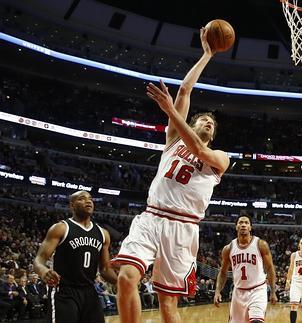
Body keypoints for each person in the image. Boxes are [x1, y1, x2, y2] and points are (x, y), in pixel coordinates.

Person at [111, 26, 229, 323]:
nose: (207, 124)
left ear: (213, 135)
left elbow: (200, 153)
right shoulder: (174, 139)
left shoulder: (220, 158)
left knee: (168, 307)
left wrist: (170, 112)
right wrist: (206, 55)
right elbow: (185, 91)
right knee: (126, 278)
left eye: (211, 124)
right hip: (151, 217)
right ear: (192, 123)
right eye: (202, 120)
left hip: (182, 228)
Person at [33, 190, 117, 323]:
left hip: (90, 290)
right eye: (82, 198)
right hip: (64, 290)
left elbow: (105, 269)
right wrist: (43, 271)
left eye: (90, 199)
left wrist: (121, 282)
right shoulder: (60, 228)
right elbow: (39, 259)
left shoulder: (103, 234)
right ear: (72, 205)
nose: (88, 201)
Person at [214, 215, 278, 323]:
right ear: (236, 227)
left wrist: (272, 291)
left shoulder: (261, 244)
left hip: (257, 290)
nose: (243, 225)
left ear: (250, 227)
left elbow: (270, 268)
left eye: (246, 223)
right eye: (240, 222)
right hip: (238, 292)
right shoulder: (228, 249)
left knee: (256, 321)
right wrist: (217, 291)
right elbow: (223, 272)